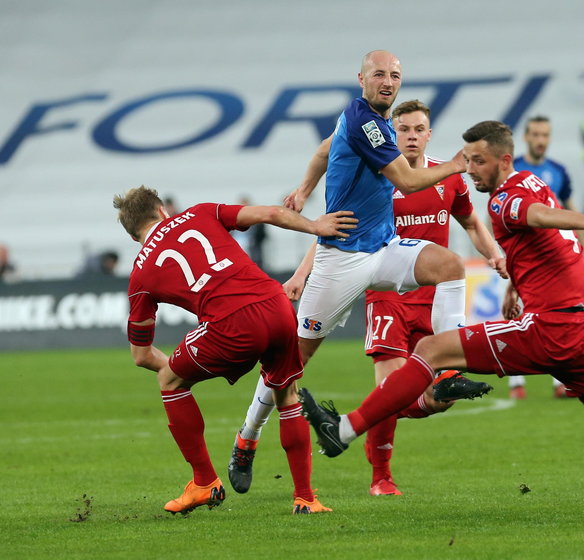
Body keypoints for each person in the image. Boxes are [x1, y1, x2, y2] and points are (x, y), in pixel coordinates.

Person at [299, 120, 584, 526]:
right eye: (466, 159)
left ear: (503, 160)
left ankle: (343, 430)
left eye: (477, 161)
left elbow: (535, 217)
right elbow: (541, 238)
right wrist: (516, 284)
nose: (469, 170)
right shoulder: (535, 182)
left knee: (432, 350)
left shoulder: (505, 200)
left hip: (551, 330)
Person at [227, 51, 497, 494]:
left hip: (383, 248)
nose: (387, 81)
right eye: (378, 74)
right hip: (343, 259)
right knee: (289, 364)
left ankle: (447, 370)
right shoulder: (367, 123)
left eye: (394, 75)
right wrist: (456, 163)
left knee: (451, 266)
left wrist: (305, 189)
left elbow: (322, 150)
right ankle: (247, 437)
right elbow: (407, 182)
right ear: (361, 80)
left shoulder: (370, 122)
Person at [283, 99, 505, 496]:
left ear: (429, 134)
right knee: (390, 388)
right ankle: (380, 476)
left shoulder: (447, 180)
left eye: (419, 129)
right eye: (404, 129)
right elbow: (338, 234)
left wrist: (492, 252)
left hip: (433, 299)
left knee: (436, 400)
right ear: (393, 132)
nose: (412, 136)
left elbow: (471, 221)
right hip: (387, 298)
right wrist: (302, 273)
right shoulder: (380, 177)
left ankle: (353, 425)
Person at [114, 185, 357, 515]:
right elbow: (270, 213)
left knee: (170, 381)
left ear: (133, 237)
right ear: (161, 211)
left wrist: (176, 366)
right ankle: (305, 499)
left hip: (231, 324)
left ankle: (204, 482)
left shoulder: (141, 275)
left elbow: (140, 355)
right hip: (277, 305)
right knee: (286, 394)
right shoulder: (199, 212)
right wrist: (316, 227)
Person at [508, 114, 584, 399]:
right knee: (517, 314)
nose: (541, 140)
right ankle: (516, 383)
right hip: (521, 257)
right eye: (535, 134)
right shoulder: (513, 169)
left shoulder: (558, 171)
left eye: (545, 135)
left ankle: (561, 382)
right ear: (526, 136)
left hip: (555, 258)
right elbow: (496, 210)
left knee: (555, 316)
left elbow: (570, 212)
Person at [230, 195, 268, 269]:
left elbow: (261, 235)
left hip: (251, 246)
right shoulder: (232, 220)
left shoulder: (257, 221)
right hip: (237, 246)